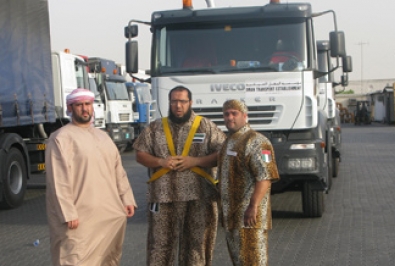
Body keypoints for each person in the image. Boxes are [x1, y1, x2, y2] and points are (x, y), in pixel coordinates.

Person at [133, 86, 226, 266]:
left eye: (182, 101)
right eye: (174, 101)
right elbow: (139, 154)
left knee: (196, 247)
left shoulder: (205, 126)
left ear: (190, 103)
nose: (178, 106)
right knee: (160, 247)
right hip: (163, 197)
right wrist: (160, 162)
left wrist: (196, 161)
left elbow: (222, 153)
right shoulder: (155, 127)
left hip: (199, 197)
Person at [45, 88, 137, 266]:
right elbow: (58, 180)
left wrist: (127, 199)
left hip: (108, 213)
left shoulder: (103, 137)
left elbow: (118, 170)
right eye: (79, 105)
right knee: (74, 258)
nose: (85, 109)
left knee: (108, 258)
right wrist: (68, 212)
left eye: (88, 104)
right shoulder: (61, 138)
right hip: (79, 217)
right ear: (70, 108)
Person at [217, 99, 280, 266]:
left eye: (234, 113)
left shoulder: (257, 141)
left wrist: (253, 206)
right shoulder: (229, 141)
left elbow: (265, 177)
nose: (230, 117)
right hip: (232, 217)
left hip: (249, 219)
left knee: (253, 261)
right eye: (226, 114)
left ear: (245, 116)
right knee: (240, 261)